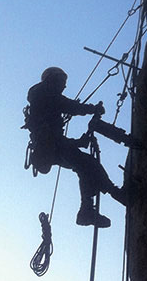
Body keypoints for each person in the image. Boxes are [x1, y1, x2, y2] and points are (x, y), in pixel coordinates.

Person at [24, 66, 129, 228]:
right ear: (53, 79)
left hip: (49, 147)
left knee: (85, 165)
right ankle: (109, 198)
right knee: (87, 163)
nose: (64, 86)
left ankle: (90, 208)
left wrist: (78, 142)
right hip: (51, 146)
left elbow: (55, 131)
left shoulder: (43, 97)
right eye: (62, 82)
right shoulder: (44, 93)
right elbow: (69, 106)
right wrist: (92, 109)